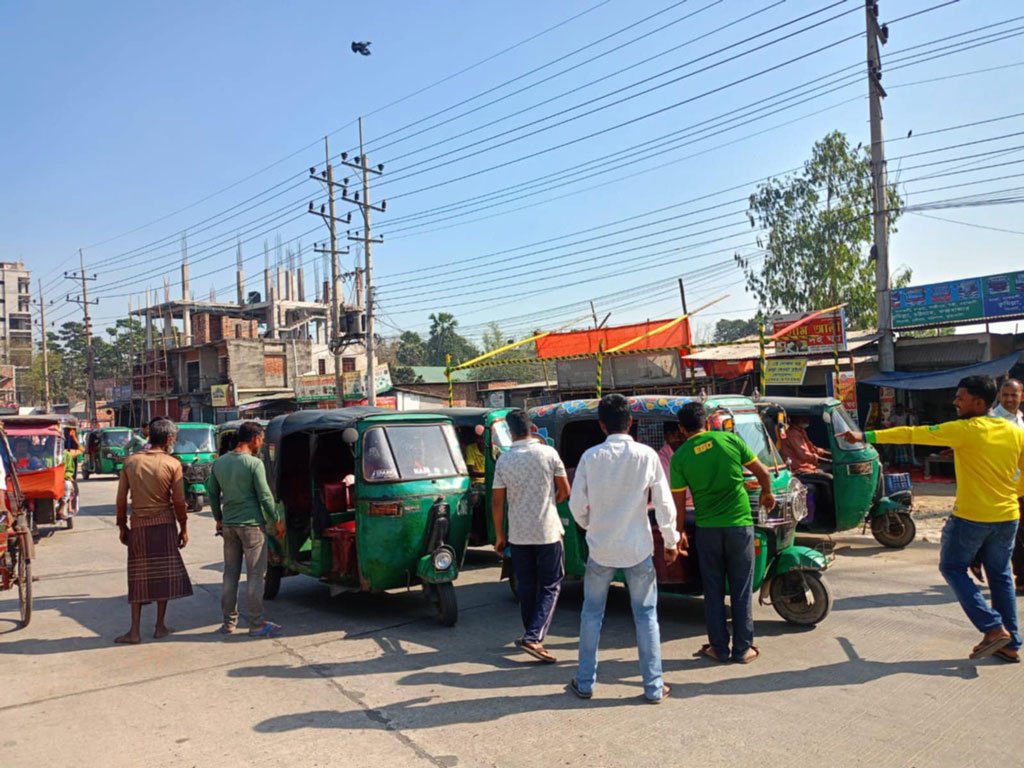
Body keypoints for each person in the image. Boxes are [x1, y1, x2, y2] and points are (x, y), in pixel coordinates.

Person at [841, 375, 1024, 663]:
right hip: (1008, 516)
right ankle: (1011, 643)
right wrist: (1012, 496)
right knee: (1000, 576)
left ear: (978, 402)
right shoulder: (1015, 431)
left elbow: (914, 434)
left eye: (960, 397)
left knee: (952, 567)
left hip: (972, 518)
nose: (955, 401)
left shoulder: (965, 429)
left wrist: (866, 436)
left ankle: (992, 628)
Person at [568, 394, 679, 703]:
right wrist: (671, 541)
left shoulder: (591, 457)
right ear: (631, 422)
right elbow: (664, 504)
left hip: (601, 549)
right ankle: (653, 687)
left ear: (602, 425)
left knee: (591, 614)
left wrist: (591, 525)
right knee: (646, 616)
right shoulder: (647, 455)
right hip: (638, 548)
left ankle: (586, 682)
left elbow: (577, 506)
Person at [671, 402, 776, 664]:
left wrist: (679, 532)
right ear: (706, 422)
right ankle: (743, 649)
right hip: (739, 526)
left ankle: (719, 647)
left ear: (682, 429)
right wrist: (767, 493)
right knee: (740, 590)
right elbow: (763, 473)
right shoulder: (730, 440)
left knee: (713, 590)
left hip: (707, 531)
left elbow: (679, 504)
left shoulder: (680, 457)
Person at [491, 409, 570, 663]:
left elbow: (497, 503)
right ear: (532, 427)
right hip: (547, 530)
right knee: (551, 584)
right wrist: (550, 504)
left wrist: (500, 535)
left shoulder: (504, 460)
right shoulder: (549, 454)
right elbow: (564, 490)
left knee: (527, 586)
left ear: (510, 432)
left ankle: (530, 633)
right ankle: (533, 637)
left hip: (519, 533)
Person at [114, 418, 192, 644]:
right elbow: (179, 502)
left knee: (138, 578)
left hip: (138, 525)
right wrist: (183, 527)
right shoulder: (172, 464)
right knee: (163, 577)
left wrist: (122, 525)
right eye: (174, 438)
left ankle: (134, 631)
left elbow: (120, 498)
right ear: (168, 439)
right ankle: (159, 626)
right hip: (165, 525)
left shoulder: (130, 462)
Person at [207, 420, 281, 638]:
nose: (261, 444)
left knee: (230, 575)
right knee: (256, 576)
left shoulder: (219, 463)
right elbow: (265, 495)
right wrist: (275, 519)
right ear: (255, 439)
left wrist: (218, 518)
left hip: (229, 525)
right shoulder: (253, 464)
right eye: (262, 440)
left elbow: (211, 492)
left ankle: (228, 623)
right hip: (251, 527)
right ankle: (257, 624)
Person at [991, 378, 1024, 594]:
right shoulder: (991, 420)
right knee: (1013, 534)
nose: (1010, 399)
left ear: (1022, 396)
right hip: (1002, 488)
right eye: (1006, 395)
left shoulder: (1021, 419)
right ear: (999, 397)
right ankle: (1019, 577)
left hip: (1021, 486)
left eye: (1014, 395)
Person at [780, 415, 833, 523]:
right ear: (795, 419)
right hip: (798, 470)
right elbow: (804, 455)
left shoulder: (801, 432)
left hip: (808, 467)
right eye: (803, 418)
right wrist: (827, 461)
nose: (806, 420)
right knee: (828, 479)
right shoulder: (793, 433)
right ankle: (828, 514)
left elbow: (813, 449)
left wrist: (830, 454)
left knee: (829, 473)